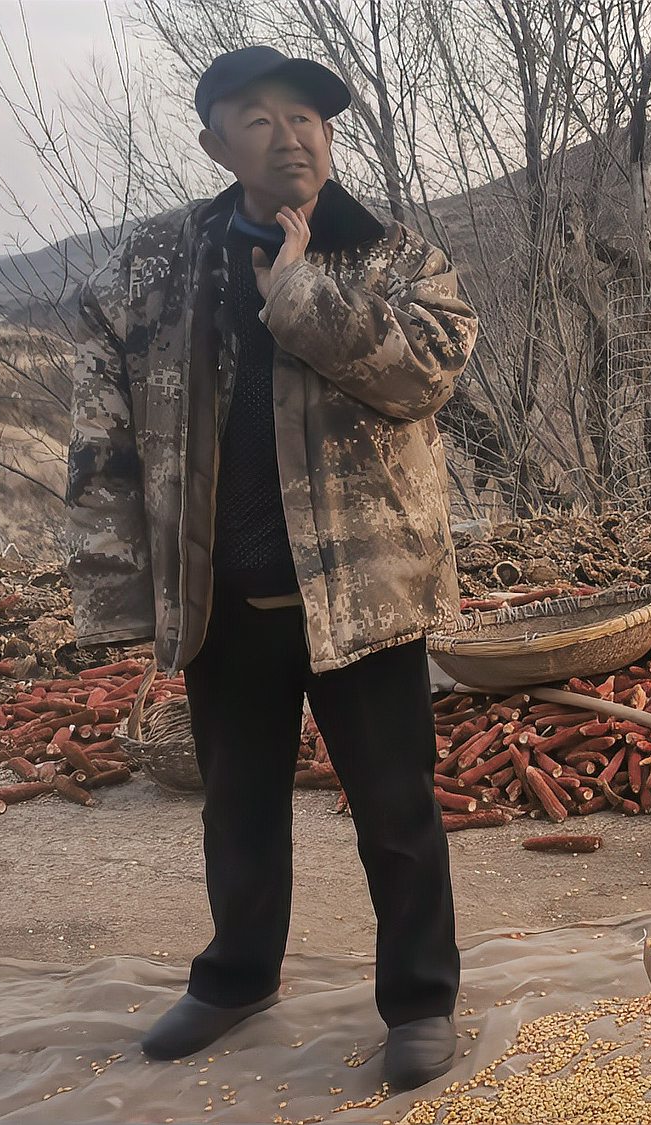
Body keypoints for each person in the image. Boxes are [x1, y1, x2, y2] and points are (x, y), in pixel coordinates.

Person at [65, 46, 478, 1091]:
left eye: (307, 117)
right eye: (258, 117)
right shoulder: (152, 272)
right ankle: (238, 976)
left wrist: (299, 297)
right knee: (236, 802)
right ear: (215, 143)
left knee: (395, 804)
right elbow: (104, 443)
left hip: (364, 595)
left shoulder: (391, 256)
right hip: (224, 595)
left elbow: (426, 375)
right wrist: (121, 596)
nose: (290, 134)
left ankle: (420, 998)